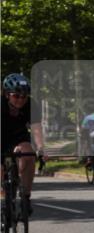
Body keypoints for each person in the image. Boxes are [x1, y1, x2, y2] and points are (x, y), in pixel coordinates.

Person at [1, 73, 45, 213]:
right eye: (16, 96)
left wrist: (41, 148)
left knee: (29, 155)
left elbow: (36, 128)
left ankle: (26, 197)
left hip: (19, 137)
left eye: (24, 96)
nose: (20, 99)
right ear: (7, 94)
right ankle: (3, 197)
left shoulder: (31, 105)